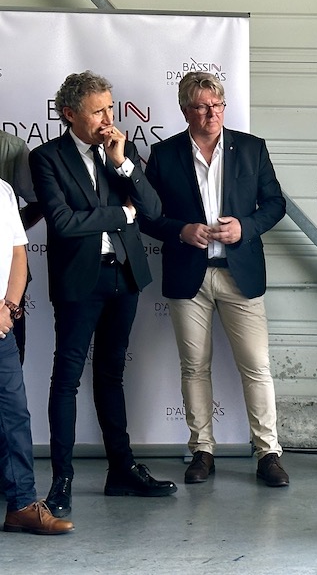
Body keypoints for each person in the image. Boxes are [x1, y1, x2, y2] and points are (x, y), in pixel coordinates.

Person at [29, 70, 176, 519]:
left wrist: (124, 165)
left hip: (124, 276)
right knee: (66, 378)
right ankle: (62, 481)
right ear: (70, 114)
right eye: (99, 111)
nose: (109, 118)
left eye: (110, 107)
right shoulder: (47, 158)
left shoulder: (121, 150)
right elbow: (63, 222)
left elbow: (152, 211)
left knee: (112, 375)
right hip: (79, 282)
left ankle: (121, 470)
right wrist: (120, 213)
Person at [142, 72, 289, 488]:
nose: (212, 114)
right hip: (189, 276)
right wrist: (180, 230)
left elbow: (275, 203)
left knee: (257, 366)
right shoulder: (165, 154)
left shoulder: (251, 148)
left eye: (218, 105)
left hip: (239, 273)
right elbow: (149, 216)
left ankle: (269, 454)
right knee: (193, 368)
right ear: (185, 110)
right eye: (203, 107)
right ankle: (202, 450)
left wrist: (246, 226)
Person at [0, 177, 73, 535]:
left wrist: (9, 308)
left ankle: (22, 506)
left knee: (13, 415)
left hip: (0, 327)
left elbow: (17, 253)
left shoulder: (3, 190)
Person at [0, 130, 43, 362]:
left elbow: (38, 202)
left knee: (11, 366)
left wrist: (11, 235)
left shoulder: (11, 147)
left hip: (8, 282)